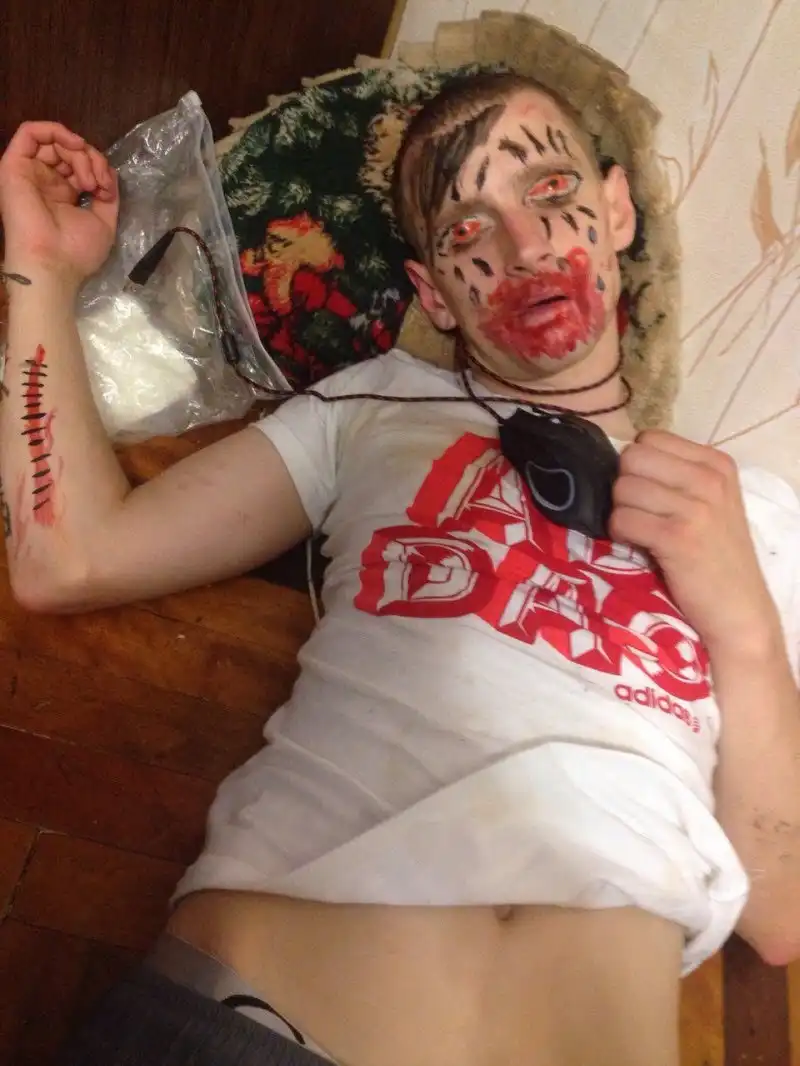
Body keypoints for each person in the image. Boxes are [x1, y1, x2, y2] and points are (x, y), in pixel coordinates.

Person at [1, 72, 799, 1066]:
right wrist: (40, 269)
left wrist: (744, 625)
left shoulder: (758, 518)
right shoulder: (370, 409)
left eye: (549, 192)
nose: (521, 246)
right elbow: (66, 560)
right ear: (432, 294)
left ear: (617, 208)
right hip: (248, 1027)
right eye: (468, 228)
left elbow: (778, 917)